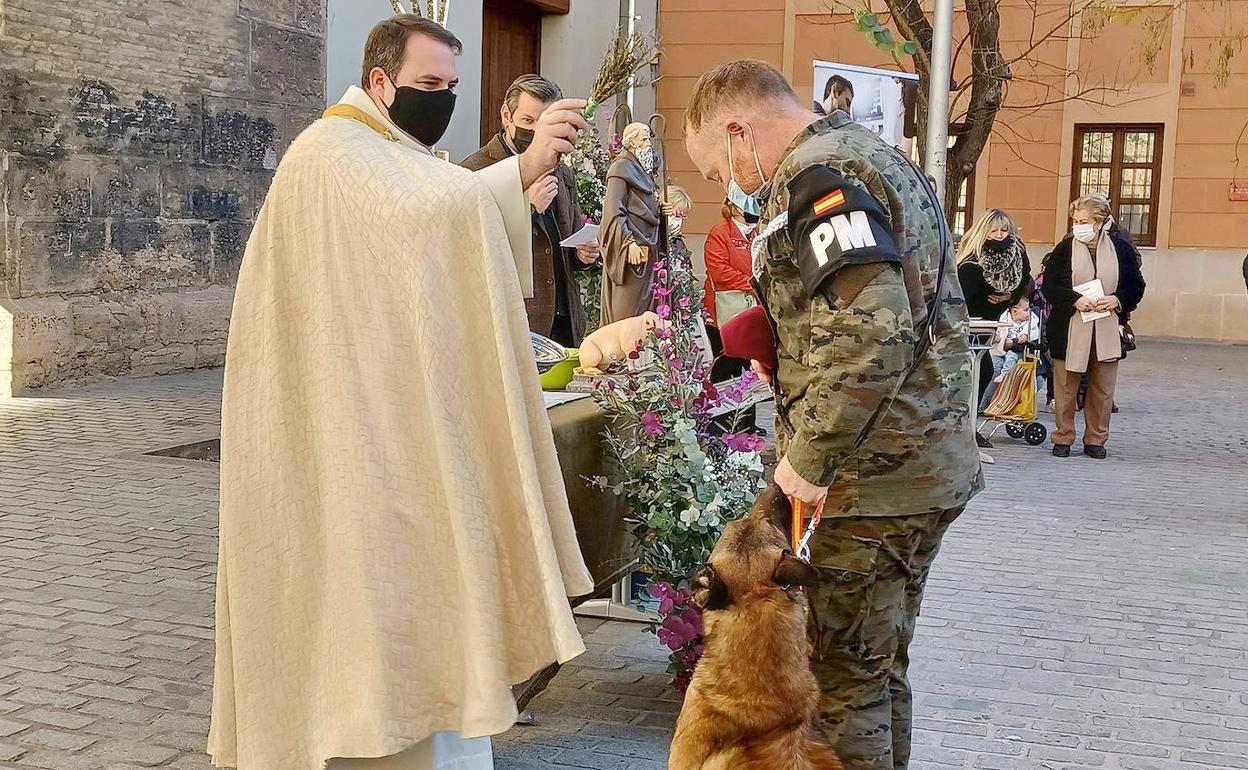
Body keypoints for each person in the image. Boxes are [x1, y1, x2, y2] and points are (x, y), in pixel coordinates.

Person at [208, 15, 596, 770]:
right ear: (379, 81)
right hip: (344, 436)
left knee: (424, 614)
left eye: (451, 87)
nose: (442, 99)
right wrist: (518, 172)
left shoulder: (386, 152)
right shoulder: (330, 151)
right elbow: (426, 215)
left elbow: (426, 209)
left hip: (386, 420)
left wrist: (511, 178)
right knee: (375, 623)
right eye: (427, 85)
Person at [683, 60, 982, 770]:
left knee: (842, 688)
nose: (727, 184)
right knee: (878, 672)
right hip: (919, 467)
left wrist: (807, 464)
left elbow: (871, 335)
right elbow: (886, 301)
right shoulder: (871, 155)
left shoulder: (818, 177)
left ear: (738, 130)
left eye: (716, 167)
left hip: (867, 483)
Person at [462, 74, 601, 347]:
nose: (538, 132)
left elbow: (566, 239)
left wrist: (585, 254)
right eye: (528, 121)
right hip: (519, 323)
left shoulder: (561, 170)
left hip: (565, 322)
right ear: (506, 115)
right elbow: (470, 246)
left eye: (547, 122)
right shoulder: (474, 170)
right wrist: (527, 207)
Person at [1041, 194, 1146, 459]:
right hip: (1069, 329)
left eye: (1084, 221)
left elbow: (1136, 286)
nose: (1079, 225)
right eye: (1076, 221)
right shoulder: (1064, 249)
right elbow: (1051, 286)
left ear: (1099, 221)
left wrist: (1117, 299)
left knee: (1102, 388)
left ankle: (1095, 439)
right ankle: (1063, 437)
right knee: (1066, 387)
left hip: (1107, 328)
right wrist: (1075, 300)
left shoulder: (1120, 248)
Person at [956, 208, 1033, 445]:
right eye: (994, 230)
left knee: (983, 370)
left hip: (991, 322)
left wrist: (1009, 296)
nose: (1000, 235)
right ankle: (962, 425)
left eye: (1004, 230)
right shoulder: (971, 260)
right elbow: (966, 289)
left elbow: (1024, 282)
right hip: (969, 321)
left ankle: (967, 426)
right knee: (976, 371)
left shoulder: (1018, 254)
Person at [601, 122, 662, 325]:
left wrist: (662, 210)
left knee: (644, 315)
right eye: (644, 140)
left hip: (647, 251)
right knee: (625, 315)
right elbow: (613, 211)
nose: (648, 144)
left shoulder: (643, 170)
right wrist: (628, 243)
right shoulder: (621, 168)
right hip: (629, 254)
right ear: (632, 143)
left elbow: (645, 205)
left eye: (648, 139)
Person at [982, 296, 1039, 407]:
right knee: (993, 368)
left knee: (1011, 360)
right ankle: (983, 404)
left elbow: (1035, 333)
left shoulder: (1031, 320)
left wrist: (1024, 337)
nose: (1028, 313)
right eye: (1026, 310)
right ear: (1014, 311)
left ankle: (1005, 403)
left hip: (1019, 353)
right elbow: (995, 330)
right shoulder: (1003, 317)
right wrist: (995, 336)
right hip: (998, 351)